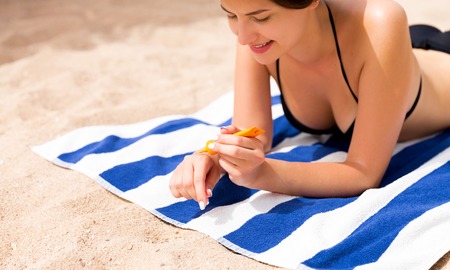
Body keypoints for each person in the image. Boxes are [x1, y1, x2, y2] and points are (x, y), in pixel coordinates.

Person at [169, 0, 450, 209]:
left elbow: (364, 173)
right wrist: (214, 158)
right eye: (231, 15)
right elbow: (253, 135)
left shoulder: (380, 20)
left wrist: (263, 174)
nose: (242, 36)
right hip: (392, 55)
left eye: (262, 17)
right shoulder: (254, 35)